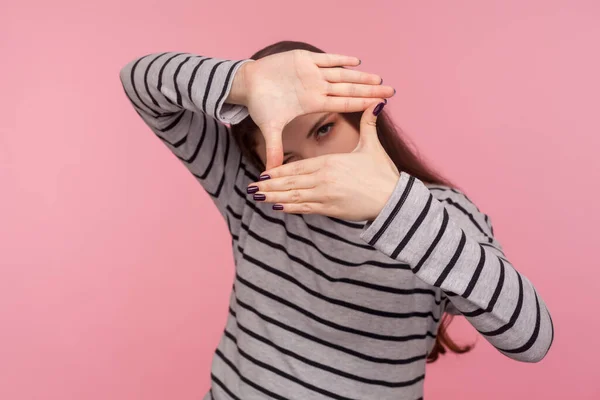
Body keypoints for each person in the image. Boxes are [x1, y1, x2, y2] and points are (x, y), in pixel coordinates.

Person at [119, 40, 553, 400]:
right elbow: (139, 81)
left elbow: (531, 338)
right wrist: (245, 81)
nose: (314, 165)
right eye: (287, 158)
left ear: (361, 111)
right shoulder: (254, 193)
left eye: (323, 130)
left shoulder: (437, 212)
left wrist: (391, 205)